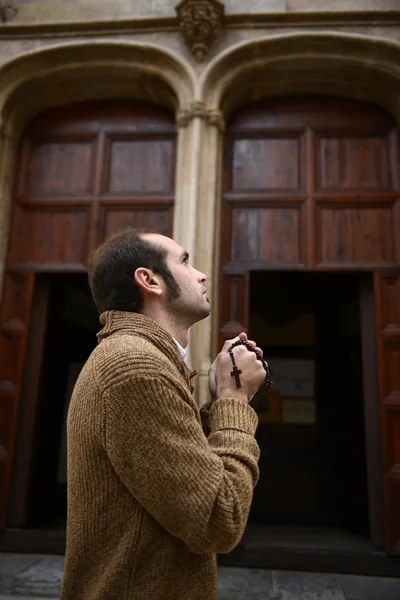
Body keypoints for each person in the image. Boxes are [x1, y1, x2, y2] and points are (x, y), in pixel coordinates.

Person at [61, 227, 266, 600]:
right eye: (185, 261)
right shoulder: (136, 366)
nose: (202, 274)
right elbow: (219, 519)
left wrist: (215, 404)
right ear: (150, 280)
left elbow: (168, 478)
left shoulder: (138, 358)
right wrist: (234, 400)